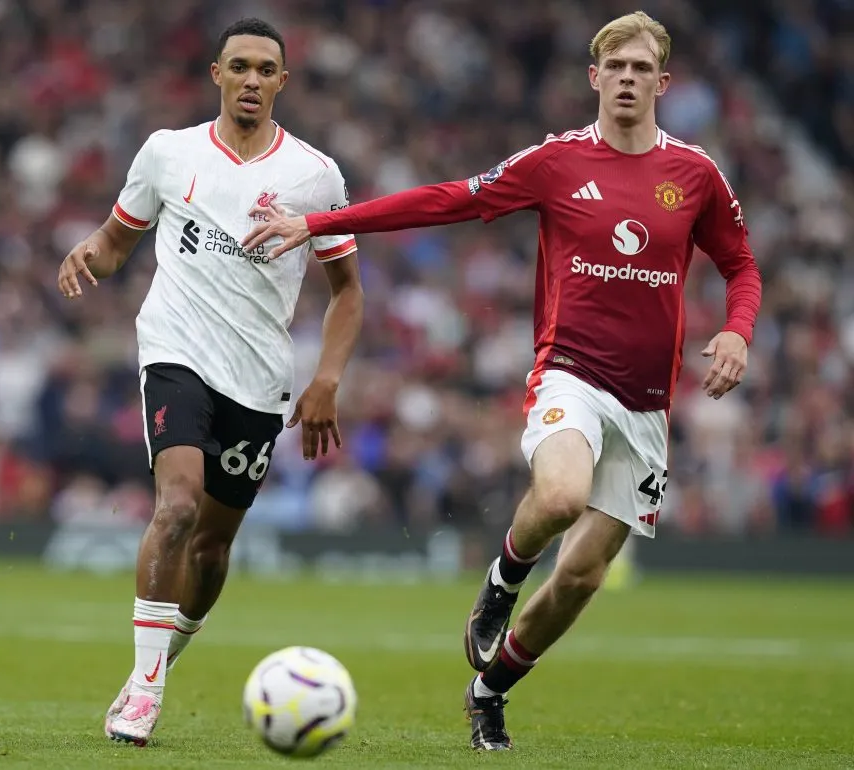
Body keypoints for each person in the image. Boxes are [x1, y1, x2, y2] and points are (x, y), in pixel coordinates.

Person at [242, 11, 761, 751]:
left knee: (581, 577)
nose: (627, 80)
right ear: (594, 77)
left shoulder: (695, 175)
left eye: (641, 69)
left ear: (663, 82)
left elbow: (741, 265)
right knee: (558, 496)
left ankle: (489, 693)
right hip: (570, 374)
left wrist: (738, 328)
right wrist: (322, 220)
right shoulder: (556, 162)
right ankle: (502, 580)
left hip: (646, 405)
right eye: (615, 67)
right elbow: (451, 198)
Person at [56, 17, 363, 747]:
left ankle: (152, 665)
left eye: (267, 69)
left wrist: (327, 378)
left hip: (258, 378)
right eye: (240, 67)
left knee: (212, 548)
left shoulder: (315, 175)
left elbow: (348, 291)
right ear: (216, 75)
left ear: (283, 83)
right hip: (175, 348)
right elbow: (116, 240)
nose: (253, 80)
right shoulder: (169, 152)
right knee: (178, 504)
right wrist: (86, 258)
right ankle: (147, 690)